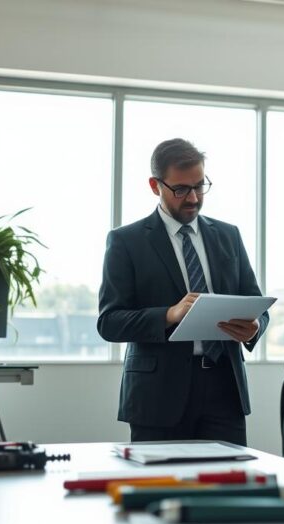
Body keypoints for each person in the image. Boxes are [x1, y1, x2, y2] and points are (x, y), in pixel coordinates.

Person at [97, 138, 269, 445]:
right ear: (155, 185)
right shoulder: (127, 241)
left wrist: (255, 327)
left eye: (200, 186)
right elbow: (109, 321)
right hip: (157, 397)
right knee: (160, 488)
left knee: (228, 488)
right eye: (181, 190)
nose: (193, 198)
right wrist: (168, 314)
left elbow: (256, 303)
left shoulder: (228, 236)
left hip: (224, 391)